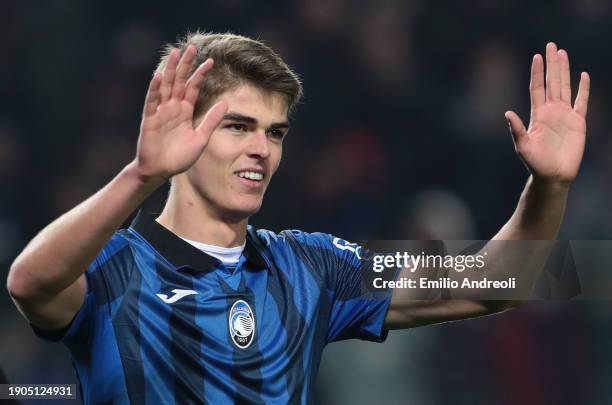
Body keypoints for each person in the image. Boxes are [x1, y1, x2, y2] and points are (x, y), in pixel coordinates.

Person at [7, 31, 590, 404]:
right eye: (238, 126)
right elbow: (28, 282)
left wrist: (550, 184)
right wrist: (141, 174)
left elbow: (500, 282)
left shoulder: (313, 266)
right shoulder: (113, 267)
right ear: (184, 134)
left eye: (275, 132)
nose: (262, 148)